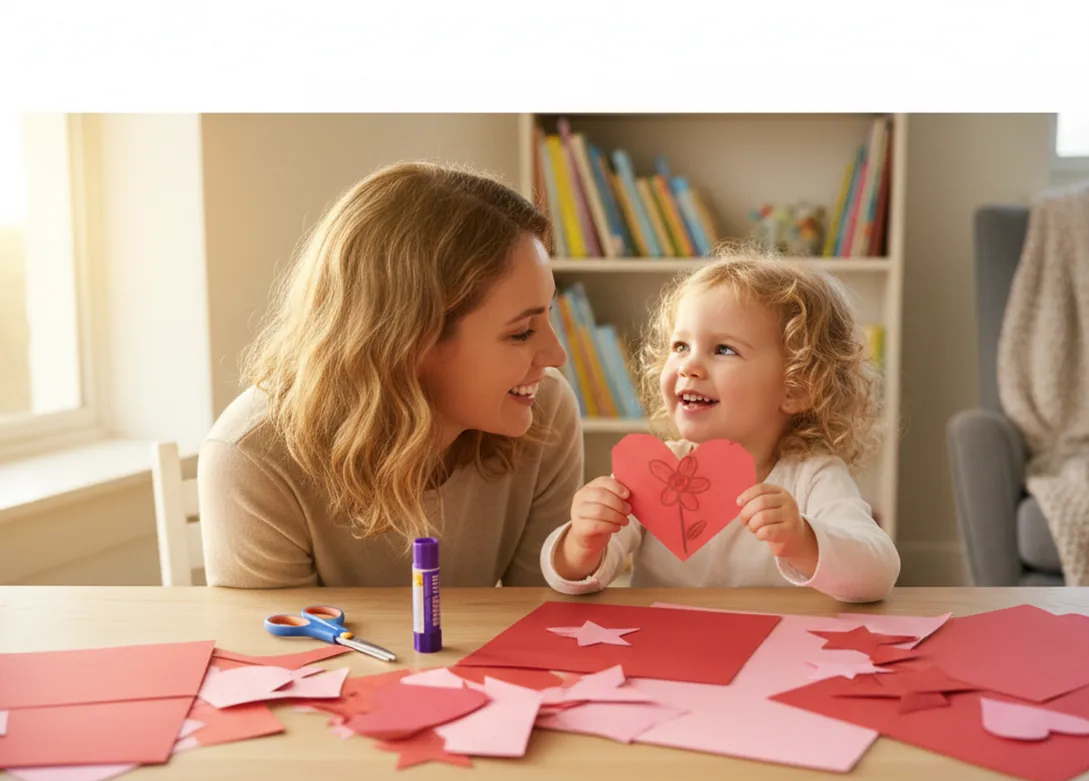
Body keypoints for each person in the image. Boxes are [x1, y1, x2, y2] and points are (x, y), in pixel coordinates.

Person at [198, 161, 582, 588]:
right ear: (409, 342)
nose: (556, 355)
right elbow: (279, 652)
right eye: (522, 332)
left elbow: (539, 619)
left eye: (547, 315)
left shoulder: (545, 410)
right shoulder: (254, 457)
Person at [540, 250, 901, 601]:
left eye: (724, 349)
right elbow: (574, 575)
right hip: (664, 652)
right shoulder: (655, 471)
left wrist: (804, 541)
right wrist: (583, 543)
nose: (688, 366)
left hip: (776, 653)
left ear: (796, 386)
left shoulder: (812, 477)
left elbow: (878, 572)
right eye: (680, 346)